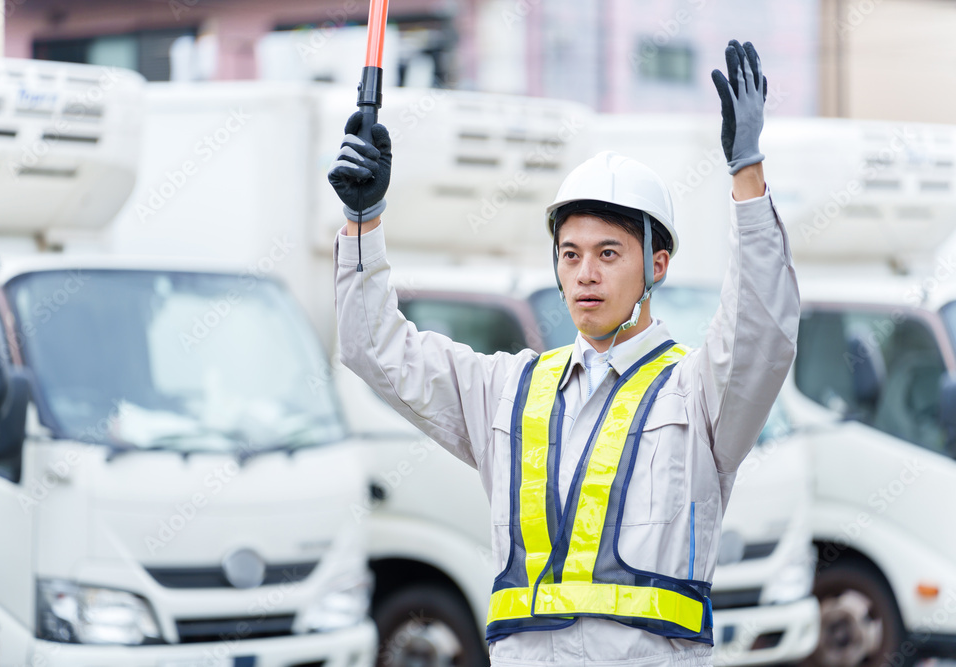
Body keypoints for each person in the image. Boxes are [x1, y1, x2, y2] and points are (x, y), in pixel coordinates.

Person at [328, 40, 799, 666]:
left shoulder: (698, 394)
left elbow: (763, 330)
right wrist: (364, 219)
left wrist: (747, 175)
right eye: (571, 254)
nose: (585, 275)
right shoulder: (510, 391)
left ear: (657, 264)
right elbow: (372, 346)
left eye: (609, 253)